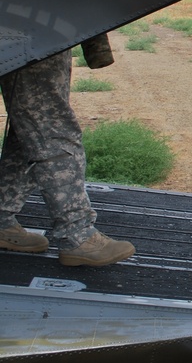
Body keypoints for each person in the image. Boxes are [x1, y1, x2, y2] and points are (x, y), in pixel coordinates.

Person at [0, 37, 136, 267]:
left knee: (29, 126)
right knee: (51, 128)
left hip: (36, 29)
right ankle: (78, 237)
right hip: (27, 29)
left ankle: (1, 219)